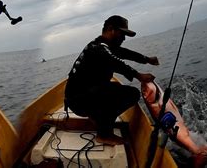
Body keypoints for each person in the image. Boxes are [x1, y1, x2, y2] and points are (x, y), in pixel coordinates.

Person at [64, 15, 159, 145]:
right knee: (132, 94)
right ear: (111, 29)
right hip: (78, 102)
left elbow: (126, 53)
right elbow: (114, 62)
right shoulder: (98, 48)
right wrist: (138, 75)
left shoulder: (103, 45)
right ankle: (104, 135)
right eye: (122, 34)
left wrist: (147, 59)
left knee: (112, 87)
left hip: (78, 97)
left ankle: (96, 117)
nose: (124, 38)